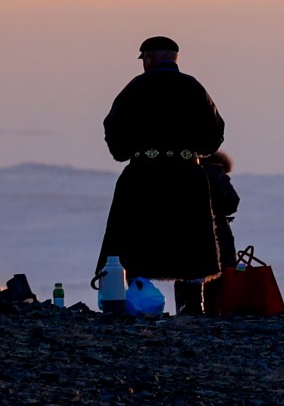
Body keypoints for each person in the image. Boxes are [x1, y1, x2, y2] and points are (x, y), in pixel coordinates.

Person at [95, 36, 226, 315]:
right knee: (189, 243)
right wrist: (196, 152)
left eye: (144, 58)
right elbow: (215, 131)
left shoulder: (136, 88)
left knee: (134, 242)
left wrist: (124, 151)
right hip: (186, 175)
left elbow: (113, 126)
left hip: (143, 175)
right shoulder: (194, 88)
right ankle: (193, 306)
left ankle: (133, 304)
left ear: (151, 57)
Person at [200, 151, 240, 316]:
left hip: (189, 229)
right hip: (218, 229)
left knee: (190, 273)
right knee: (223, 269)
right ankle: (218, 310)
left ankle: (190, 309)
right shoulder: (217, 174)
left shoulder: (189, 173)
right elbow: (233, 202)